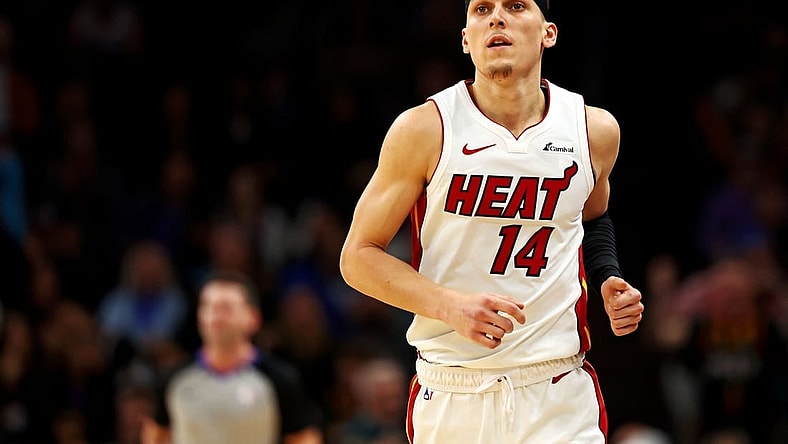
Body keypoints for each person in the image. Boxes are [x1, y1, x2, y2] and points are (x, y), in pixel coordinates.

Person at [338, 1, 645, 443]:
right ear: (466, 40)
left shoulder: (593, 130)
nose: (497, 18)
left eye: (515, 6)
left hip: (556, 389)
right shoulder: (425, 128)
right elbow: (358, 258)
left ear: (549, 33)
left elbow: (593, 217)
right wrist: (449, 306)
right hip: (454, 389)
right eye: (482, 10)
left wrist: (607, 276)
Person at [141, 270, 324, 444]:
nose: (216, 317)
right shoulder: (174, 379)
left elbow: (305, 438)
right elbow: (155, 434)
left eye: (226, 308)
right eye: (209, 307)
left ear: (253, 318)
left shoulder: (279, 380)